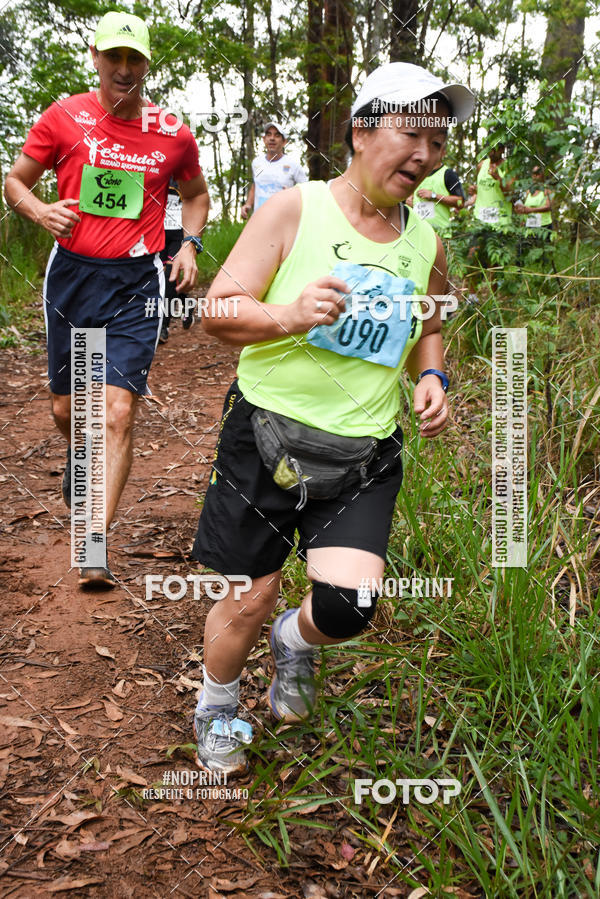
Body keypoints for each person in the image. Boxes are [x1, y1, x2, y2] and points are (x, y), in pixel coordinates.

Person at [190, 61, 474, 775]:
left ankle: (296, 641)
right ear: (360, 131)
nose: (426, 156)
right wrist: (287, 315)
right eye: (412, 133)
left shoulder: (427, 241)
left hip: (365, 452)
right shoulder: (296, 209)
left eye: (438, 144)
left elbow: (430, 326)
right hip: (267, 436)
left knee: (349, 607)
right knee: (248, 598)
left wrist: (432, 374)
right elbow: (215, 311)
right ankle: (218, 704)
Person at [4, 11, 209, 588]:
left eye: (134, 59)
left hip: (137, 281)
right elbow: (15, 180)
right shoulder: (64, 117)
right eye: (114, 57)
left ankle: (94, 539)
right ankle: (78, 460)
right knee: (68, 411)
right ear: (95, 56)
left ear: (146, 64)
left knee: (116, 412)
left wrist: (189, 245)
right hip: (70, 275)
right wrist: (39, 210)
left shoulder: (172, 132)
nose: (124, 69)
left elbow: (195, 195)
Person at [240, 122, 307, 219]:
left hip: (283, 222)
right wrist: (248, 205)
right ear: (264, 139)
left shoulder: (294, 165)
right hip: (259, 220)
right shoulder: (256, 162)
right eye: (269, 134)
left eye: (277, 135)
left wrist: (292, 194)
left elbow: (305, 191)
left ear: (284, 142)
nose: (272, 138)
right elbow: (255, 186)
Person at [159, 179, 196, 344]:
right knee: (159, 278)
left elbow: (196, 201)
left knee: (169, 277)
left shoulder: (185, 175)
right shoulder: (154, 168)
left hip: (178, 235)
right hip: (157, 232)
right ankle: (186, 303)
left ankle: (163, 326)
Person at [411, 162, 466, 235]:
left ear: (442, 153)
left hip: (441, 234)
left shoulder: (448, 174)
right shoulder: (415, 173)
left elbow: (460, 202)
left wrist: (434, 196)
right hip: (417, 234)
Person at [473, 144, 513, 228]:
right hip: (480, 218)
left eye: (494, 150)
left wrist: (498, 178)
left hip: (501, 221)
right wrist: (474, 190)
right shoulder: (481, 165)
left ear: (502, 149)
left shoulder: (509, 166)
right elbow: (482, 189)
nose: (491, 152)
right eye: (489, 149)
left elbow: (511, 195)